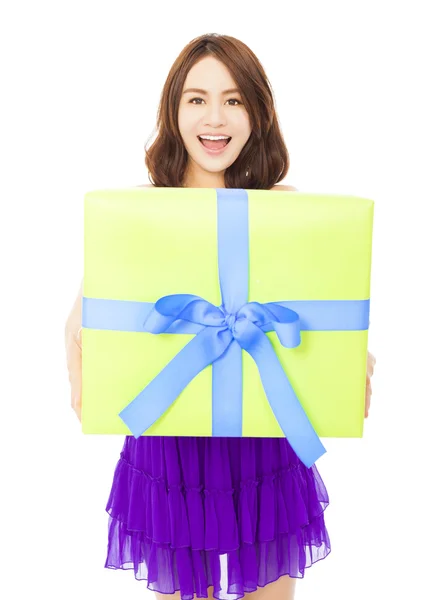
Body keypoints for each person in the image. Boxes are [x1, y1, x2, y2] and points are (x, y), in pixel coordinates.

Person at [64, 33, 376, 600]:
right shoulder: (141, 211)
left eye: (233, 100)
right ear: (173, 111)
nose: (215, 118)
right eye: (196, 99)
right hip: (171, 434)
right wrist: (80, 370)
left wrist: (353, 358)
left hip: (263, 434)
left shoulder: (287, 208)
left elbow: (323, 312)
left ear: (257, 112)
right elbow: (90, 317)